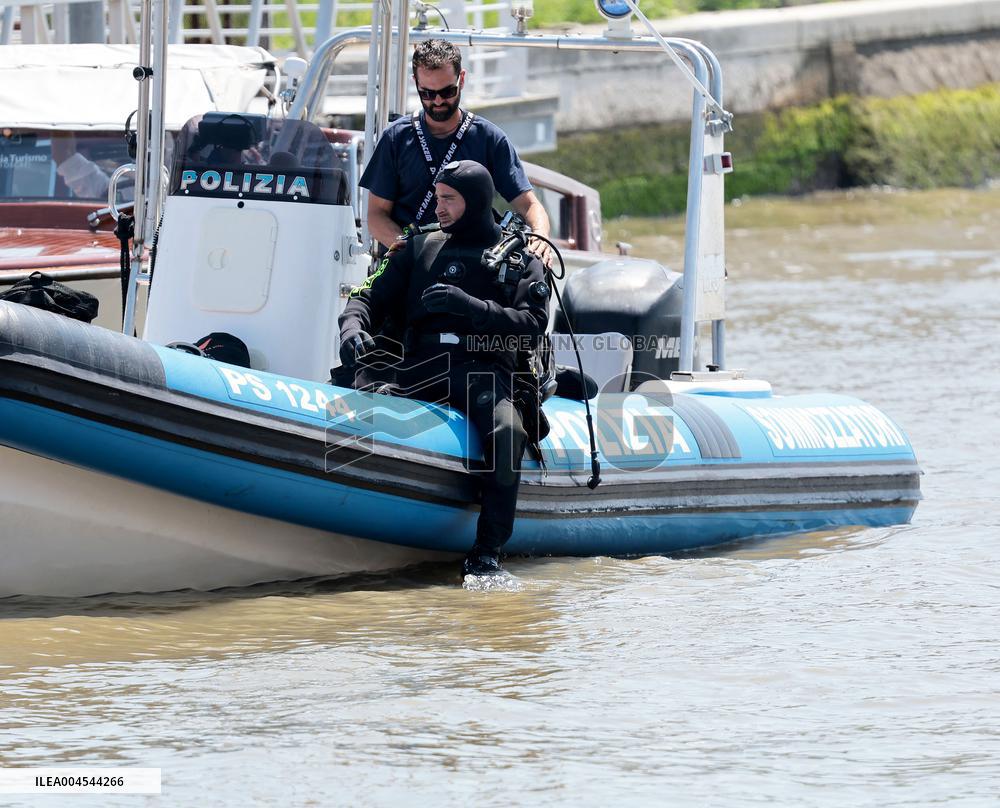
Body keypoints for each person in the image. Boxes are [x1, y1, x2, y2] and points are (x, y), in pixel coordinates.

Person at [338, 161, 550, 577]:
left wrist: (470, 307)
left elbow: (532, 327)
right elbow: (367, 297)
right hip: (420, 368)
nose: (438, 207)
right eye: (437, 197)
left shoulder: (521, 260)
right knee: (365, 401)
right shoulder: (418, 248)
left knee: (508, 432)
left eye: (448, 199)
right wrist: (351, 328)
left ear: (474, 201)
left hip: (484, 371)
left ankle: (487, 553)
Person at [360, 38, 552, 265]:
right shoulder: (396, 138)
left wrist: (541, 236)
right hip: (410, 264)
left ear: (461, 79)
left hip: (471, 265)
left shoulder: (489, 138)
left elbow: (529, 204)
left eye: (447, 91)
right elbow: (375, 215)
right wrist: (412, 252)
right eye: (428, 93)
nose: (438, 101)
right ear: (415, 83)